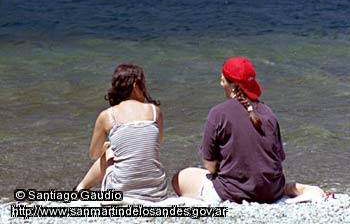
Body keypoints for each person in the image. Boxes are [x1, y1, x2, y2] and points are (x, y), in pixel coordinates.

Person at [172, 56, 325, 204]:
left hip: (233, 193)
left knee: (179, 178)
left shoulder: (218, 113)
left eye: (223, 80)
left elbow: (210, 166)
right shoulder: (269, 113)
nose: (220, 83)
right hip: (271, 191)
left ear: (232, 86)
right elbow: (277, 159)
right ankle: (292, 188)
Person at [75, 63, 167, 202]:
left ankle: (80, 189)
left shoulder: (107, 116)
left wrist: (106, 149)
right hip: (157, 192)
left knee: (110, 152)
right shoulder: (155, 112)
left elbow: (94, 155)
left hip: (120, 192)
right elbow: (156, 145)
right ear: (136, 86)